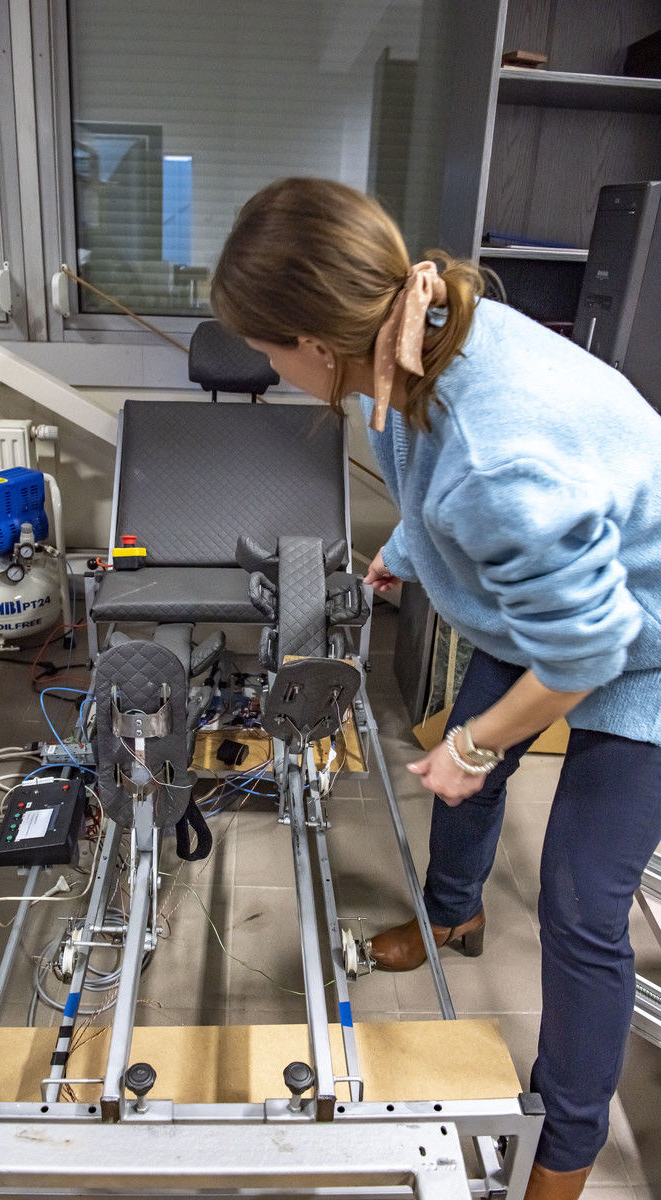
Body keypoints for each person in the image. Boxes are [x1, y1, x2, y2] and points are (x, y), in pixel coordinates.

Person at [210, 176, 661, 1200]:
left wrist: (475, 744)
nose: (271, 371)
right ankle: (452, 916)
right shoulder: (413, 333)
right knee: (467, 772)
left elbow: (587, 647)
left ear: (313, 342)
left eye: (268, 351)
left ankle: (563, 1156)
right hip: (553, 608)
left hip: (642, 637)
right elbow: (433, 480)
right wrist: (408, 553)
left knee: (581, 903)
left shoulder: (495, 451)